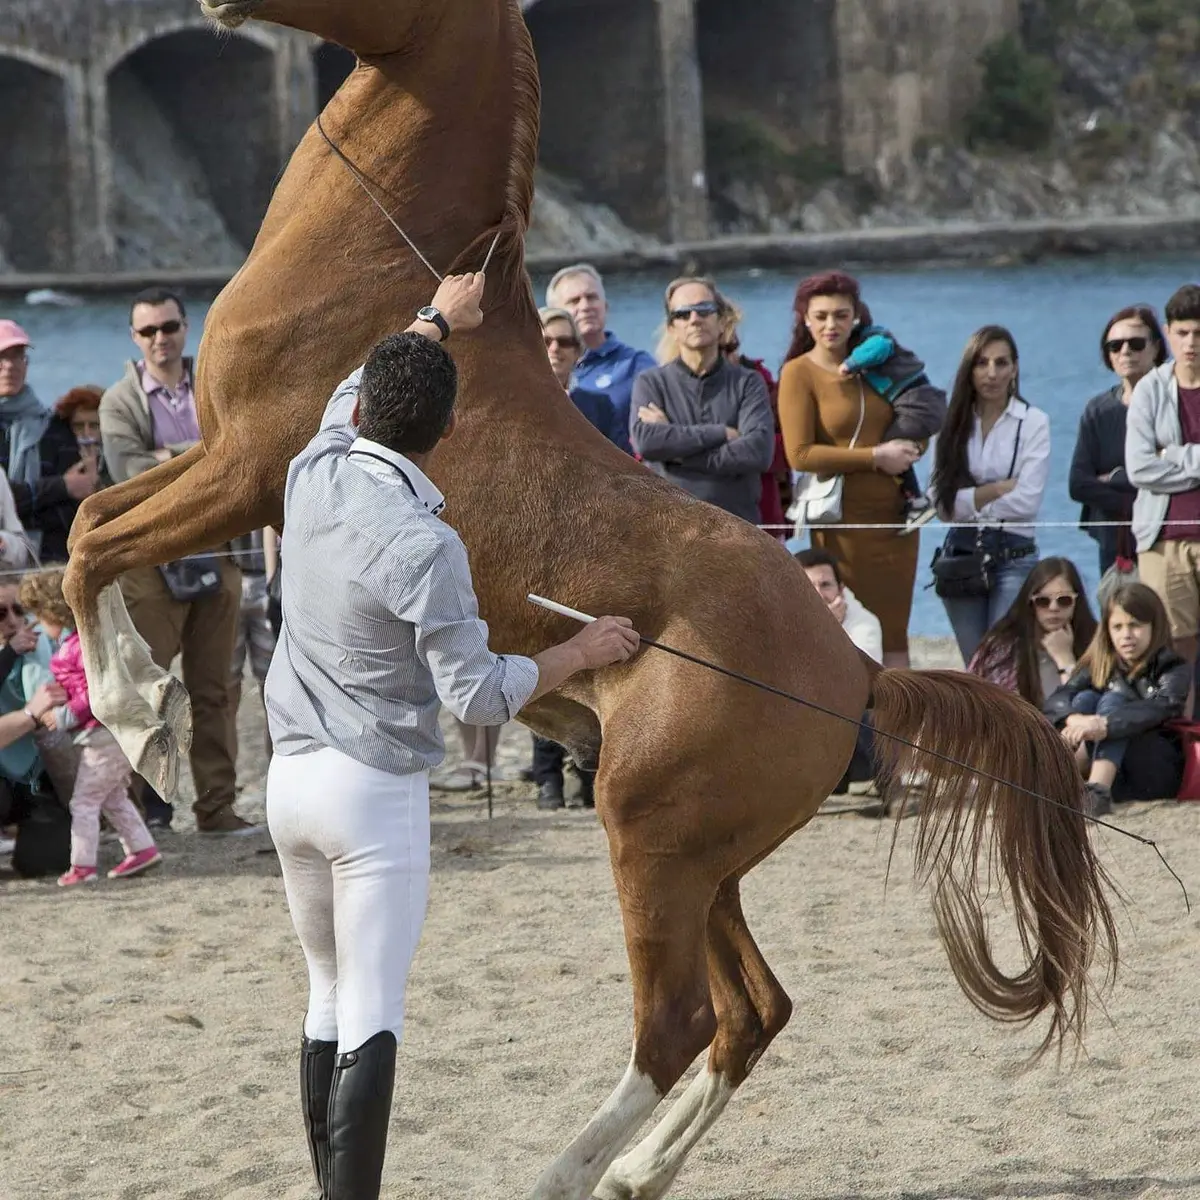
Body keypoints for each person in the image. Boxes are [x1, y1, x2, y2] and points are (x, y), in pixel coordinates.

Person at [263, 272, 640, 1200]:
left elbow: (350, 389)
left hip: (288, 782)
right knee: (374, 1013)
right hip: (368, 792)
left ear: (364, 412)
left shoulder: (311, 468)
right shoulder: (427, 544)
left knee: (324, 998)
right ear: (448, 432)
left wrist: (436, 318)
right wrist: (576, 653)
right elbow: (475, 695)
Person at [101, 287, 251, 834]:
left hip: (219, 552)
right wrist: (202, 453)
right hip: (151, 562)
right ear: (134, 338)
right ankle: (144, 813)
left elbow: (243, 453)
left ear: (187, 328)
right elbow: (129, 473)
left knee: (217, 692)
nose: (160, 339)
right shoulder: (119, 400)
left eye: (169, 327)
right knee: (150, 691)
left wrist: (173, 457)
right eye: (148, 331)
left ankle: (217, 808)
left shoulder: (215, 385)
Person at [777, 271, 921, 668]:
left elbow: (916, 411)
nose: (831, 325)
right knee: (841, 626)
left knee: (895, 635)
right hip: (839, 522)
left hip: (895, 524)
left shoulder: (879, 363)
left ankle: (896, 727)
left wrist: (913, 447)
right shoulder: (798, 372)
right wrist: (876, 457)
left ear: (856, 316)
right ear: (804, 318)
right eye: (820, 315)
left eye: (841, 315)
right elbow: (799, 455)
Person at [526, 306, 621, 810]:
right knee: (541, 659)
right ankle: (547, 778)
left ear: (578, 352)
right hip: (535, 550)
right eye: (547, 341)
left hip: (589, 547)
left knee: (592, 659)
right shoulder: (513, 405)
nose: (556, 350)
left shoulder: (599, 406)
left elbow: (621, 469)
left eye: (565, 342)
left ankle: (589, 775)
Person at [19, 569, 162, 886]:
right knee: (112, 797)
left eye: (39, 616)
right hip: (112, 734)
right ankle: (142, 848)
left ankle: (83, 865)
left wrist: (66, 714)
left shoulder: (79, 648)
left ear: (52, 613)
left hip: (103, 736)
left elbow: (96, 690)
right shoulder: (82, 643)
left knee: (83, 802)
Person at [930, 326, 1051, 665]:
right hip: (961, 555)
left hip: (1015, 553)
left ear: (1014, 368)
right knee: (975, 666)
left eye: (1001, 363)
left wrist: (968, 499)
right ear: (969, 369)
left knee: (1001, 663)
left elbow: (1027, 502)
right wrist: (997, 489)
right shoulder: (950, 425)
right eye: (982, 363)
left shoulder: (1033, 423)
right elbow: (941, 504)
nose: (992, 373)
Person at [630, 277, 774, 524]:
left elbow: (757, 452)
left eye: (704, 310)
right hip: (670, 528)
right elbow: (647, 443)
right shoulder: (651, 383)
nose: (694, 319)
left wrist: (675, 453)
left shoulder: (748, 382)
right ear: (672, 328)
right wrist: (720, 433)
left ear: (721, 322)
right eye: (683, 314)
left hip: (738, 530)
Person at [1044, 582, 1187, 813]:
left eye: (1135, 625)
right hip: (1115, 774)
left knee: (1113, 701)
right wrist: (1075, 720)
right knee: (1084, 700)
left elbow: (1163, 706)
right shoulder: (1101, 665)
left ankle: (1096, 790)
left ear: (1155, 626)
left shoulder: (1172, 666)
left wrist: (1106, 725)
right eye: (1117, 627)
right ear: (1107, 630)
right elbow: (1056, 701)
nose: (1126, 635)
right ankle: (1066, 782)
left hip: (1154, 769)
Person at [1125, 284, 1200, 691]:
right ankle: (1183, 739)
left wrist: (1174, 454)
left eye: (1199, 333)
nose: (1191, 343)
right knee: (1173, 646)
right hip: (1163, 539)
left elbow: (1157, 462)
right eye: (1183, 332)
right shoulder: (1150, 390)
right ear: (1168, 334)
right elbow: (1139, 468)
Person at [1069, 305, 1166, 577]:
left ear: (1156, 347)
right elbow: (1078, 484)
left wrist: (1113, 478)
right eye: (1115, 345)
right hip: (1114, 543)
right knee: (1118, 617)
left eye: (1136, 344)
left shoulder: (1174, 404)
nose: (1125, 351)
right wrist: (1138, 491)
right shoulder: (1098, 410)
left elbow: (1179, 474)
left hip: (1168, 540)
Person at [0, 321, 99, 562]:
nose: (10, 366)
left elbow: (73, 507)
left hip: (52, 559)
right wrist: (60, 486)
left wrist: (22, 503)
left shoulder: (52, 427)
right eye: (2, 357)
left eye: (18, 357)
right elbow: (68, 489)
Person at [838, 319, 947, 532]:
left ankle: (917, 501)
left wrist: (849, 364)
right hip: (916, 403)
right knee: (892, 446)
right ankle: (913, 499)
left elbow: (880, 347)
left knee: (892, 446)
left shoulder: (874, 337)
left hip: (920, 403)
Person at [795, 547, 881, 795]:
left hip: (850, 729)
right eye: (809, 585)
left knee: (872, 711)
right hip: (801, 726)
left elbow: (858, 680)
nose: (818, 594)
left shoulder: (865, 622)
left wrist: (828, 629)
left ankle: (891, 790)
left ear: (840, 590)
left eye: (826, 585)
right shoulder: (781, 621)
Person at [544, 262, 655, 453]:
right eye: (574, 301)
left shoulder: (638, 365)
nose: (585, 306)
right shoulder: (534, 373)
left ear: (606, 306)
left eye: (592, 297)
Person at [967, 557, 1096, 707]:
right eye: (1043, 601)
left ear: (1076, 602)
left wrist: (1065, 659)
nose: (1053, 608)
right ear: (1030, 603)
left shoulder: (1095, 642)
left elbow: (1086, 709)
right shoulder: (1003, 649)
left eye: (1064, 600)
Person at [717, 302, 790, 533]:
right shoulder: (665, 384)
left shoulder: (758, 378)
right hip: (699, 518)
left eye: (731, 347)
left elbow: (786, 448)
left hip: (761, 516)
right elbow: (655, 450)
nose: (727, 357)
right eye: (718, 348)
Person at [229, 527, 279, 767]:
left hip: (270, 578)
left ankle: (280, 772)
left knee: (276, 688)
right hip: (227, 576)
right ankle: (219, 797)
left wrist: (272, 582)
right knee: (220, 691)